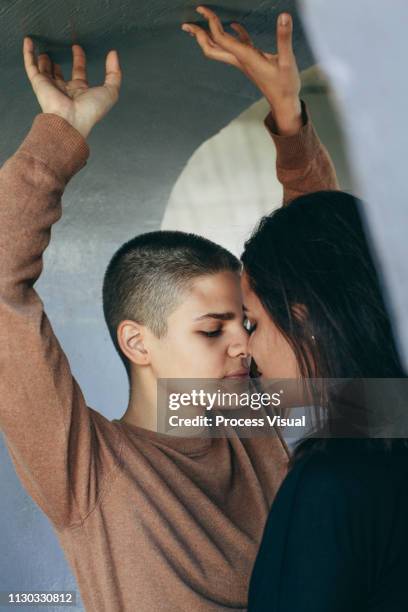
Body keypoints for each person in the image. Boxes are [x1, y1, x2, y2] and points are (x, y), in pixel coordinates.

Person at [0, 12, 336, 612]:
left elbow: (323, 264)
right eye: (213, 328)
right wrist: (58, 134)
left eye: (247, 322)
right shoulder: (85, 467)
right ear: (138, 342)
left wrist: (289, 118)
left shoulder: (250, 414)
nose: (243, 344)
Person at [185, 7, 408, 610]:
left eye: (250, 322)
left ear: (305, 316)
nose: (245, 348)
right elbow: (332, 262)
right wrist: (288, 121)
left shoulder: (333, 479)